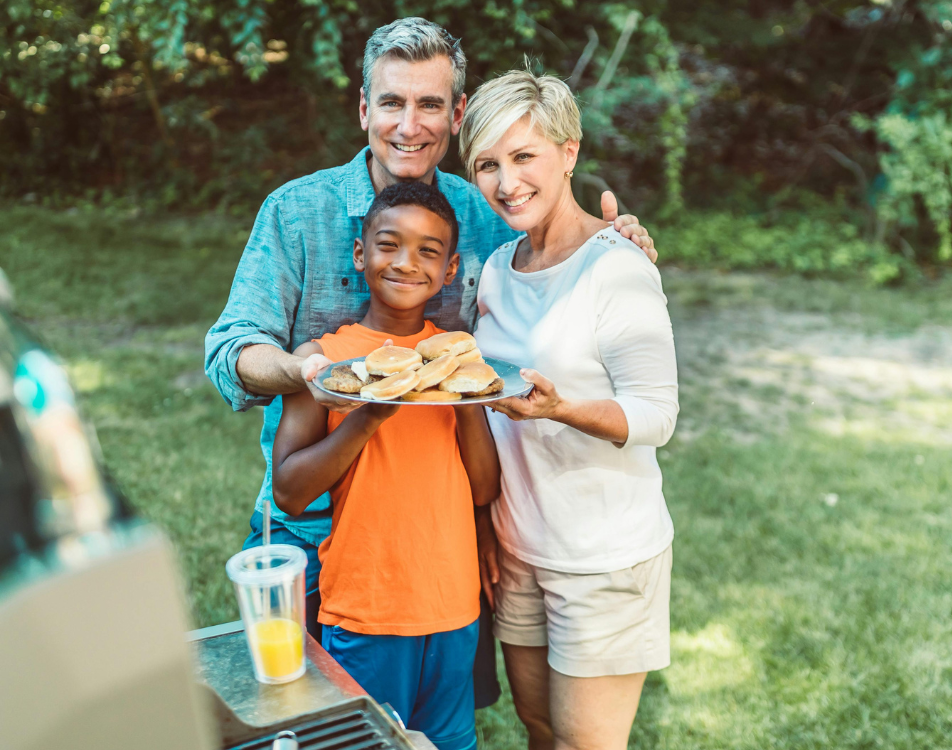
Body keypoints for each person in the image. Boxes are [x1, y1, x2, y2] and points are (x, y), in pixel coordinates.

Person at [204, 17, 656, 709]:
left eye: (429, 104)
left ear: (457, 113)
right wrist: (306, 373)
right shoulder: (297, 212)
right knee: (306, 719)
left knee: (436, 720)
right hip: (315, 526)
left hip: (436, 533)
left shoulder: (486, 216)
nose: (408, 125)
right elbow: (230, 349)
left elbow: (559, 264)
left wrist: (616, 240)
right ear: (363, 109)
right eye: (391, 103)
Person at [459, 69, 680, 750]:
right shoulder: (496, 268)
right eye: (488, 164)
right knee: (540, 729)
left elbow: (655, 416)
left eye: (524, 157)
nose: (506, 181)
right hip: (521, 548)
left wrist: (562, 409)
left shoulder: (615, 266)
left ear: (569, 152)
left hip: (604, 558)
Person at [270, 181, 500, 750]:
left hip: (452, 606)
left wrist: (460, 383)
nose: (405, 262)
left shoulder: (457, 355)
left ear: (450, 270)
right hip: (366, 607)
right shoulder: (322, 363)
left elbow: (484, 485)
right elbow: (290, 493)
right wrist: (371, 414)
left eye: (428, 251)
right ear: (360, 253)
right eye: (389, 244)